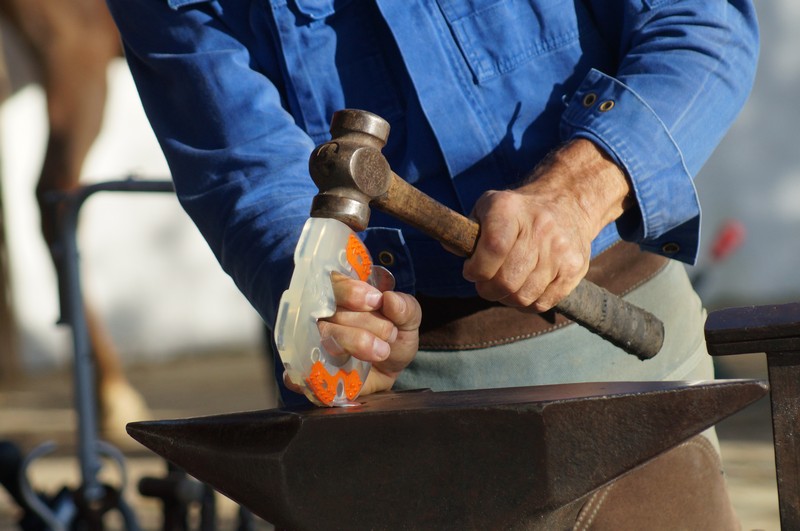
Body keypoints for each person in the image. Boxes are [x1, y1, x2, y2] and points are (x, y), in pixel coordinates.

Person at [105, 0, 759, 527]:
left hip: (626, 368)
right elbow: (242, 167)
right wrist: (328, 301)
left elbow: (706, 23)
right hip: (388, 416)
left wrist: (579, 188)